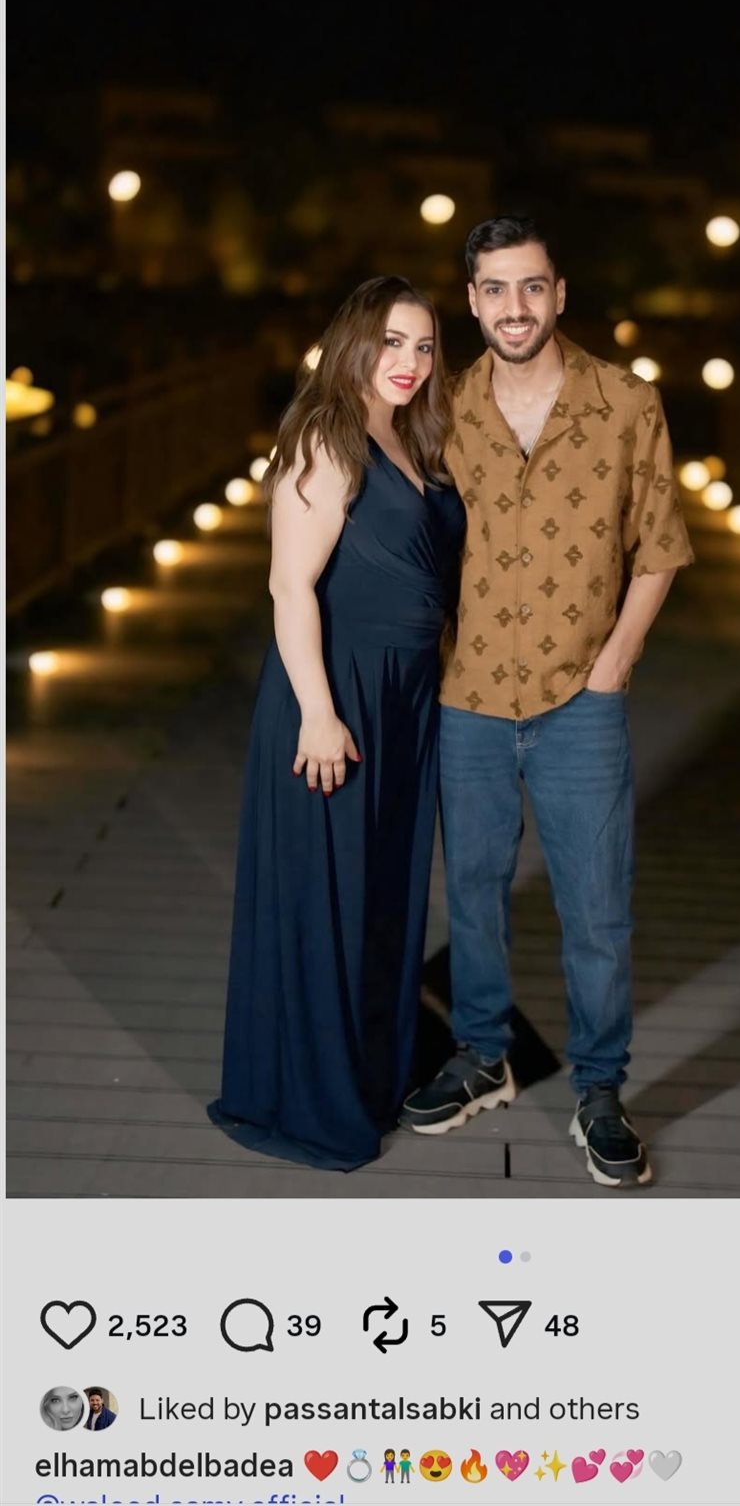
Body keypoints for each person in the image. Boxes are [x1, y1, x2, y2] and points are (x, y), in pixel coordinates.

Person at [401, 216, 694, 1187]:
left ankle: (600, 1091)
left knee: (597, 908)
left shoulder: (626, 403)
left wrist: (614, 665)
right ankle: (483, 1054)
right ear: (472, 300)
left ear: (560, 293)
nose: (514, 306)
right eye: (494, 289)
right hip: (470, 694)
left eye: (531, 286)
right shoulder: (442, 408)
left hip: (581, 700)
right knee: (473, 892)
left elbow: (659, 546)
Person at [208, 278, 464, 1169]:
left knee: (385, 890)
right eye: (393, 341)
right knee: (330, 892)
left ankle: (369, 1070)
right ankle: (312, 1095)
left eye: (424, 346)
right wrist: (318, 714)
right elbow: (289, 586)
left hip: (407, 696)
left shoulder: (411, 436)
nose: (410, 362)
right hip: (338, 688)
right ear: (356, 341)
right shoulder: (327, 433)